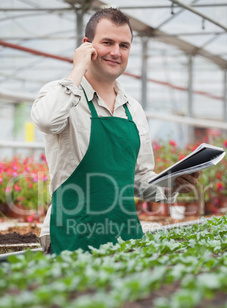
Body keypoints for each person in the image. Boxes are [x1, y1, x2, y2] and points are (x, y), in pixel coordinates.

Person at [31, 7, 200, 255]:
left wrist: (173, 187)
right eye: (107, 42)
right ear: (87, 46)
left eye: (124, 45)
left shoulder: (133, 109)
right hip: (71, 235)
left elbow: (139, 180)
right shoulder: (62, 94)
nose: (115, 52)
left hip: (126, 236)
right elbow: (46, 121)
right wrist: (78, 67)